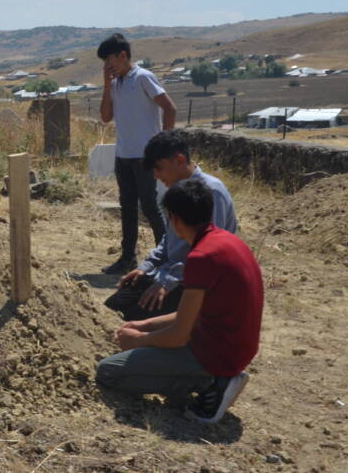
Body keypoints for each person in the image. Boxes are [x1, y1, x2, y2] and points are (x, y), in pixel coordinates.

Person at [96, 179, 263, 424]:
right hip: (233, 346)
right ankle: (209, 377)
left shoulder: (200, 257)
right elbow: (192, 314)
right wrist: (146, 326)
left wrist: (138, 341)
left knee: (108, 371)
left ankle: (210, 382)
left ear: (174, 219)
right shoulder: (227, 241)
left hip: (216, 355)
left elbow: (178, 336)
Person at [105, 131, 238, 321]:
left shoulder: (210, 192)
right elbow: (170, 238)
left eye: (159, 168)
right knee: (113, 307)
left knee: (133, 317)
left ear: (180, 159)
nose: (157, 176)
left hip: (195, 281)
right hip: (170, 272)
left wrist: (167, 282)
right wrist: (147, 266)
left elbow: (208, 255)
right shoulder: (178, 190)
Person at [97, 33, 177, 274]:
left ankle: (166, 257)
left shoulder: (143, 77)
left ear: (123, 55)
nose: (107, 66)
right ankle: (127, 258)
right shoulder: (116, 83)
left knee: (150, 206)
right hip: (123, 154)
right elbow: (105, 116)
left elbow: (170, 108)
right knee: (128, 207)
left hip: (145, 155)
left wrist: (163, 144)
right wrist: (106, 84)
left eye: (109, 60)